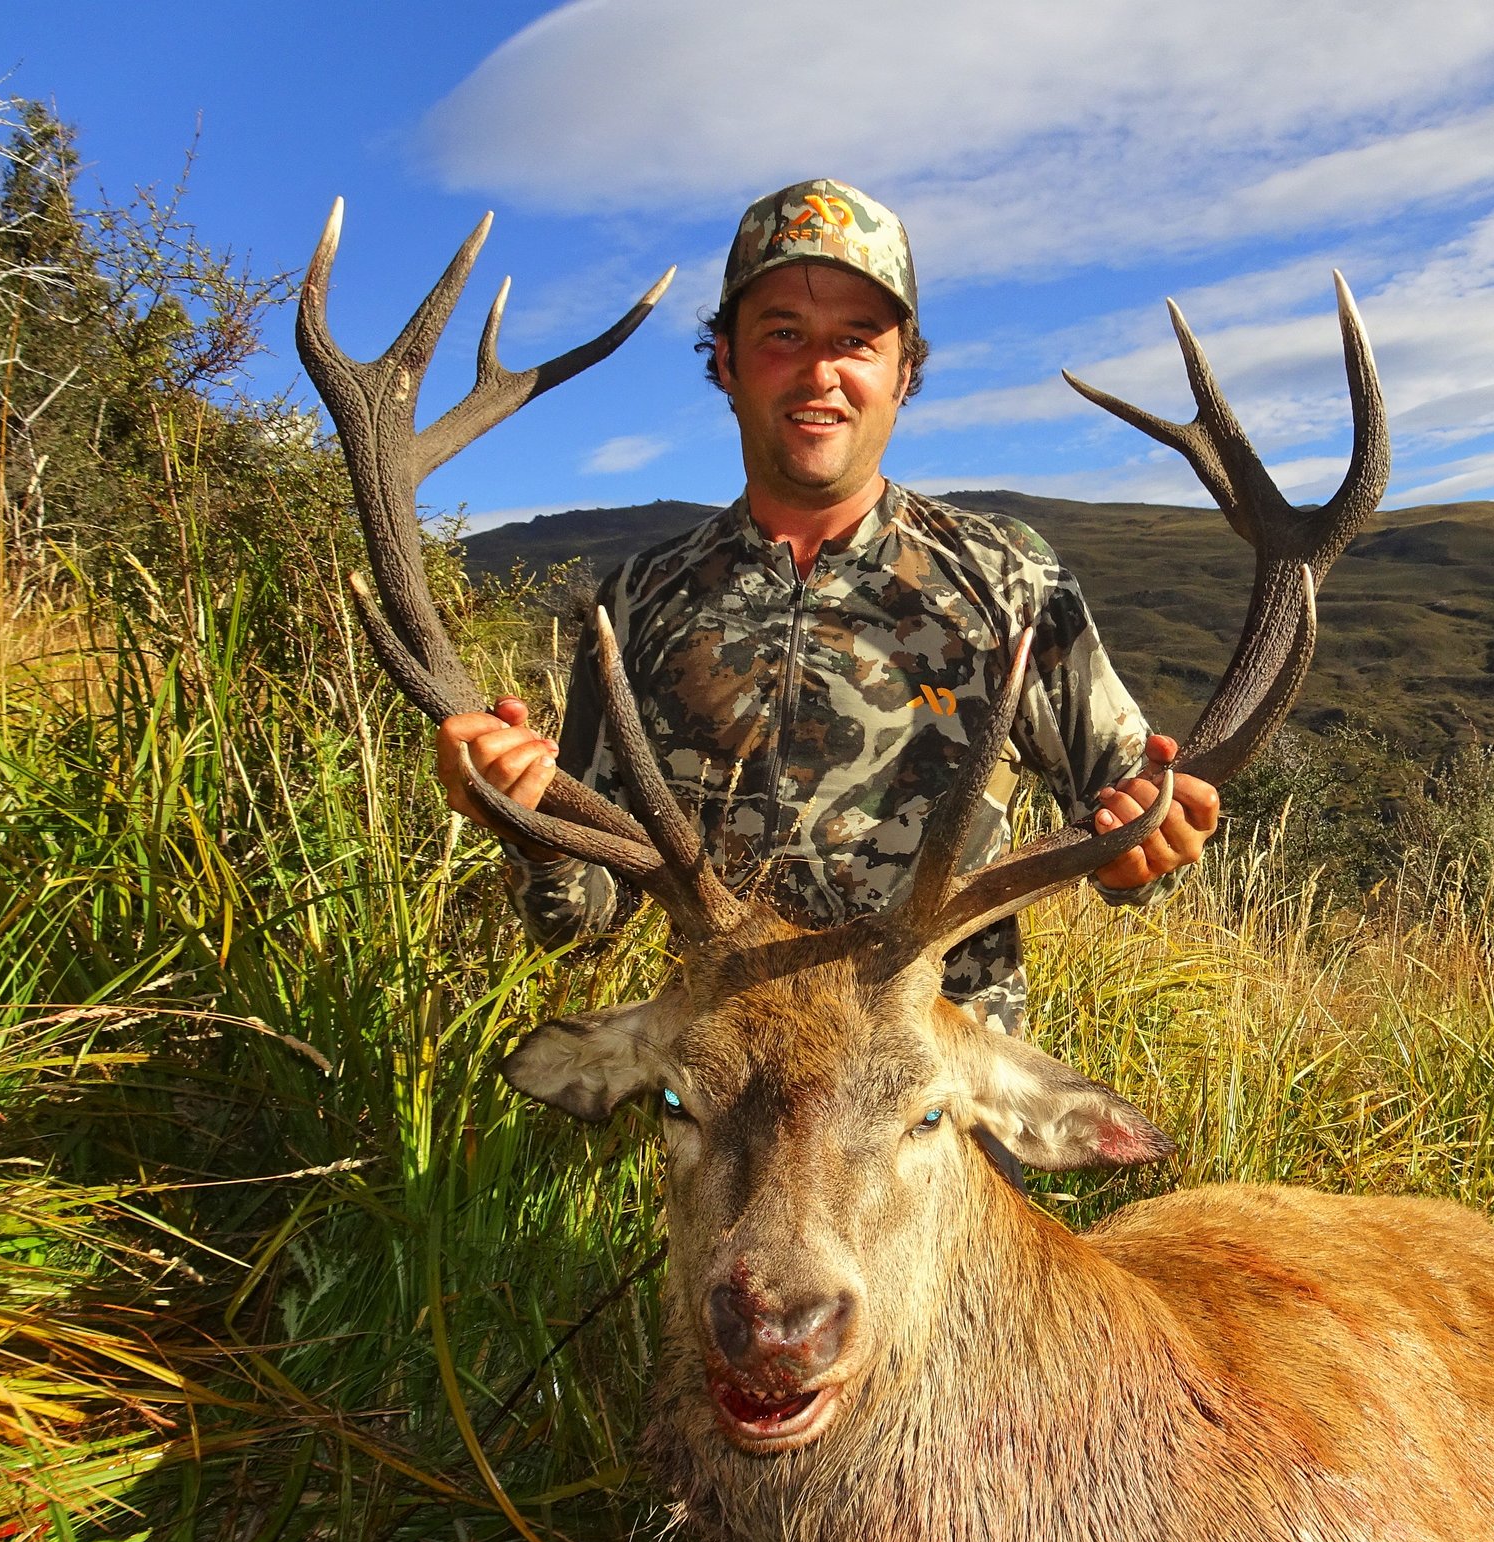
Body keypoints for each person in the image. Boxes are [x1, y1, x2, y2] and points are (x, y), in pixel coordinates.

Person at [432, 178, 1218, 1039]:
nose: (821, 372)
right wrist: (531, 827)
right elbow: (576, 924)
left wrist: (1150, 843)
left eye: (857, 340)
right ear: (726, 360)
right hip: (725, 1114)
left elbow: (1134, 817)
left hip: (937, 1114)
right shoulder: (636, 602)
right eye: (781, 334)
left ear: (903, 370)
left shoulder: (1009, 575)